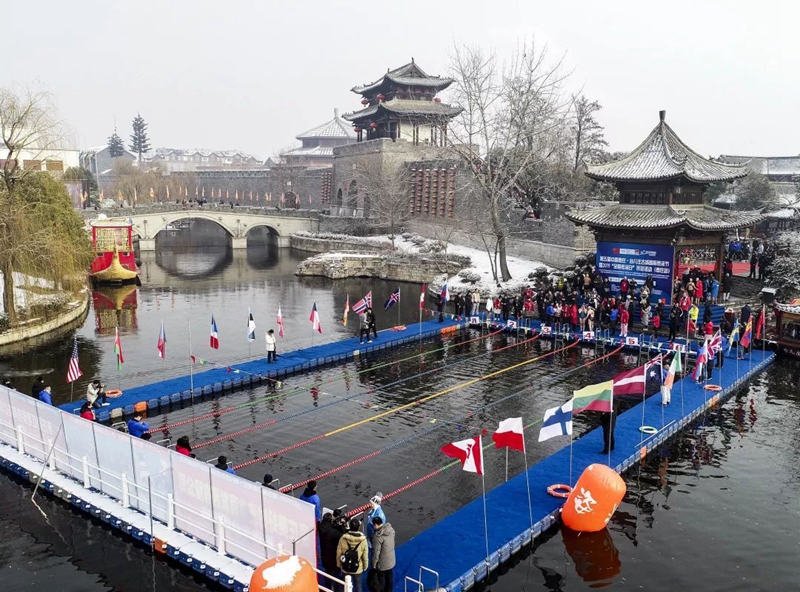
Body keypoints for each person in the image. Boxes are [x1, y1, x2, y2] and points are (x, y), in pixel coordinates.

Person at [336, 518, 368, 592]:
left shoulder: (343, 538)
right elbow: (365, 556)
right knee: (358, 587)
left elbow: (338, 553)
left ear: (349, 526)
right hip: (358, 568)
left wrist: (339, 564)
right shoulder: (363, 540)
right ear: (358, 527)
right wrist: (365, 566)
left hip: (345, 567)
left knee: (345, 586)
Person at [370, 516, 396, 592]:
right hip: (391, 560)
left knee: (381, 580)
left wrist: (373, 565)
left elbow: (376, 553)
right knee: (389, 578)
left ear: (375, 525)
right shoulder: (391, 530)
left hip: (382, 563)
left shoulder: (377, 537)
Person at [319, 513, 343, 588]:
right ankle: (336, 588)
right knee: (336, 575)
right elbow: (342, 535)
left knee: (327, 573)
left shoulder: (321, 527)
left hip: (324, 556)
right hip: (333, 556)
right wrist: (341, 526)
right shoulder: (333, 532)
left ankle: (328, 587)